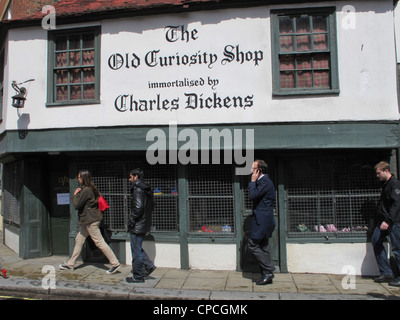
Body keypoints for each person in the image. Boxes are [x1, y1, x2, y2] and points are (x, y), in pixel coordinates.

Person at [60, 170, 120, 274]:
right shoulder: (92, 188)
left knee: (99, 242)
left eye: (79, 177)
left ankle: (115, 263)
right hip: (89, 220)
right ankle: (70, 264)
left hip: (90, 220)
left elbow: (77, 205)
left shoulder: (86, 190)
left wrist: (75, 195)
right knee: (79, 240)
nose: (78, 179)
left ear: (83, 178)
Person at [247, 159, 276, 285]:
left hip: (262, 219)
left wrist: (252, 181)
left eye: (253, 169)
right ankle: (266, 274)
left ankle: (269, 271)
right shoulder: (263, 182)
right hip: (263, 218)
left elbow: (253, 195)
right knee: (263, 246)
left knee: (252, 244)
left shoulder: (264, 182)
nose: (251, 171)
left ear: (259, 170)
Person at [372, 161, 400, 286]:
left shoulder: (394, 184)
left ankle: (398, 277)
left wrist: (388, 221)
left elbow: (396, 204)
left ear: (386, 171)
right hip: (383, 220)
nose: (377, 176)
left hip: (393, 222)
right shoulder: (385, 184)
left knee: (397, 249)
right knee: (376, 241)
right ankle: (386, 272)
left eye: (379, 173)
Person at [126, 168, 156, 283]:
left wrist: (131, 221)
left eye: (130, 177)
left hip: (138, 225)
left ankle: (138, 276)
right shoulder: (145, 188)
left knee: (136, 251)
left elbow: (138, 208)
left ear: (136, 177)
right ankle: (148, 266)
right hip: (144, 223)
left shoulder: (138, 189)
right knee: (137, 247)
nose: (129, 180)